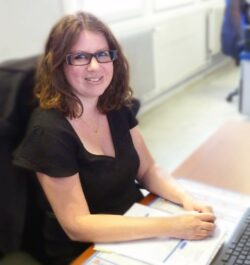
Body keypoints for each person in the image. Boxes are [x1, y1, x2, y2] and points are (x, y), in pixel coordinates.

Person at [13, 11, 215, 265]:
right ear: (58, 64)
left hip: (138, 223)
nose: (95, 66)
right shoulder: (48, 132)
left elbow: (148, 169)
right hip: (86, 249)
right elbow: (78, 225)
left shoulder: (115, 105)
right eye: (80, 57)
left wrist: (186, 198)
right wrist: (171, 226)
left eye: (102, 54)